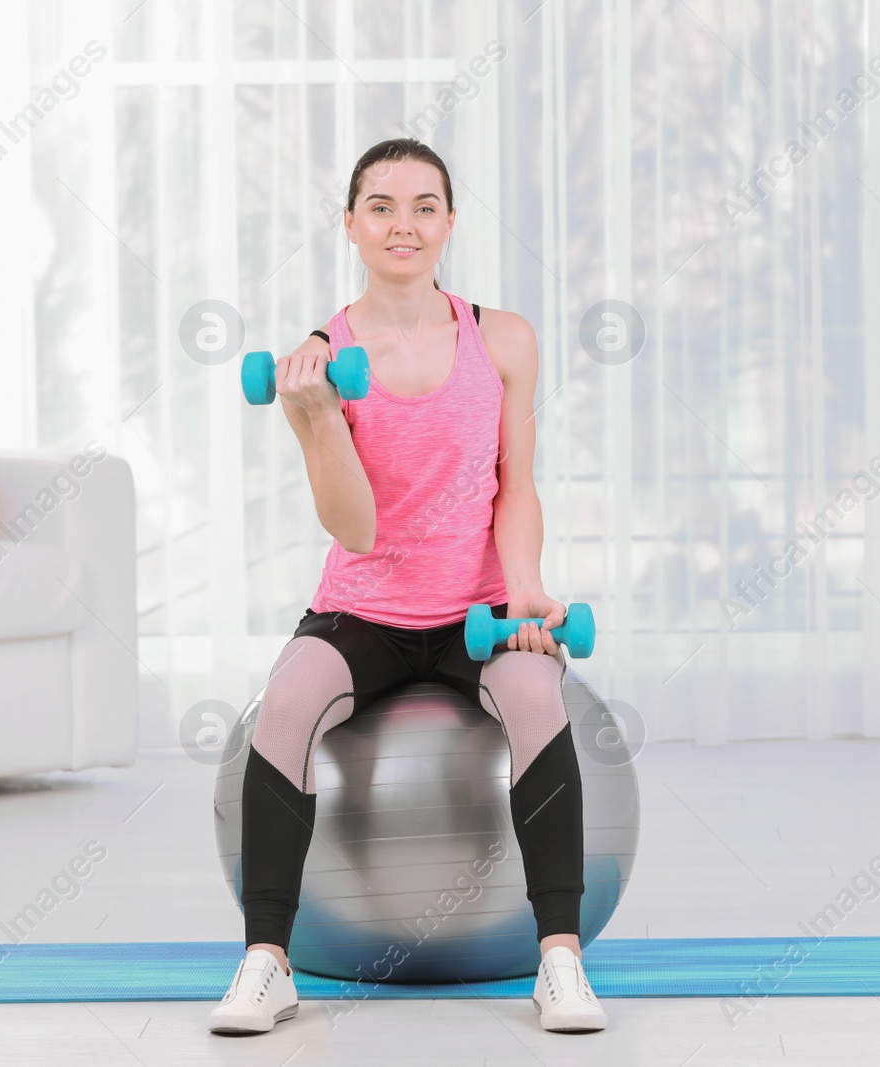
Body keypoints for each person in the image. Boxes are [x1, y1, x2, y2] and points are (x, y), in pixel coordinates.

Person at [208, 138, 606, 1036]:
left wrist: (529, 590)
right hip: (364, 612)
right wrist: (315, 422)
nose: (403, 224)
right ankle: (265, 962)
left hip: (479, 611)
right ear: (350, 224)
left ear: (451, 224)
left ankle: (560, 961)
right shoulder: (321, 359)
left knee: (541, 696)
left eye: (424, 205)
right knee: (284, 704)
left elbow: (517, 482)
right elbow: (356, 529)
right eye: (381, 206)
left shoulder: (502, 338)